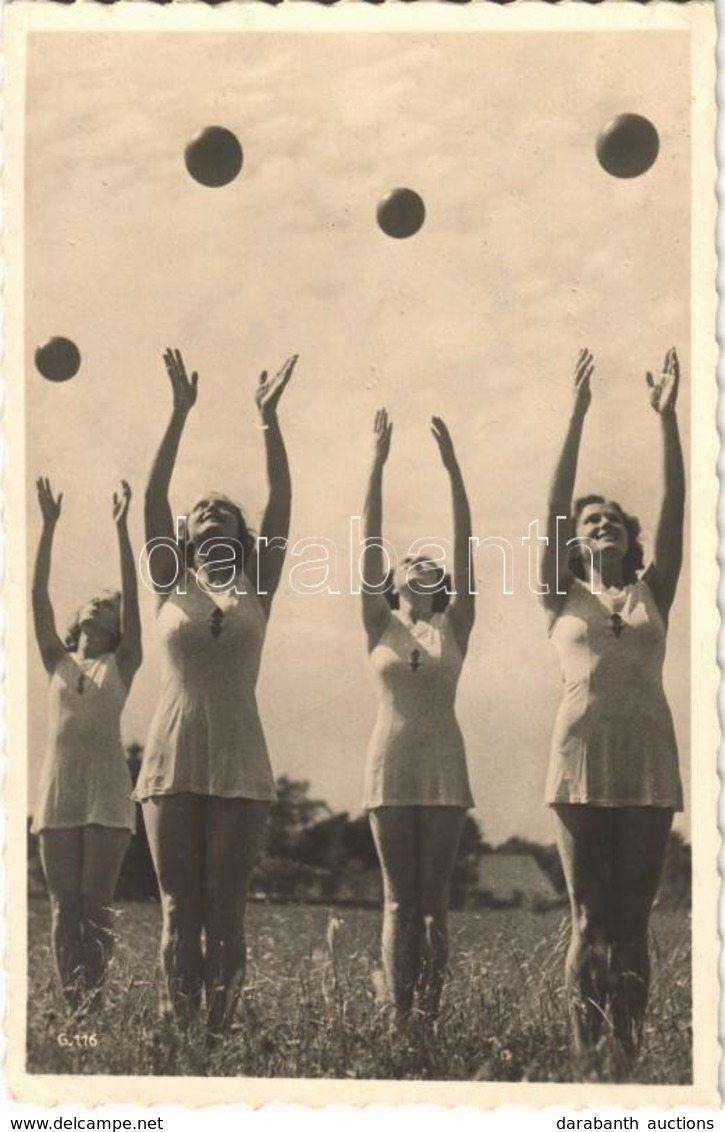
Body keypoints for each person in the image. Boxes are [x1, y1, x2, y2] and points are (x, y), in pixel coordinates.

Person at [135, 346, 296, 1032]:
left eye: (221, 508)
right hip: (170, 757)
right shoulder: (171, 582)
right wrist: (178, 412)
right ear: (186, 533)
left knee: (225, 911)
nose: (209, 511)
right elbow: (151, 497)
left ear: (239, 531)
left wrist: (268, 420)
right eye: (199, 508)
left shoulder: (258, 584)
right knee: (179, 909)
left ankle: (221, 1032)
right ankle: (178, 1035)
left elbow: (282, 502)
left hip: (238, 755)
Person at [540, 346, 685, 1065]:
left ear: (629, 539)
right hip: (577, 761)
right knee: (588, 918)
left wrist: (667, 419)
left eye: (612, 521)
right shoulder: (559, 593)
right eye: (589, 520)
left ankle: (623, 1056)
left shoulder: (651, 592)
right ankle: (581, 1056)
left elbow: (675, 511)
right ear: (574, 541)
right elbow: (549, 506)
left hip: (649, 759)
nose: (602, 525)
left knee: (632, 920)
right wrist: (576, 413)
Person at [360, 408, 475, 1024]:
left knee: (435, 902)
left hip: (443, 765)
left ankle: (428, 1017)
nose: (421, 565)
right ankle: (396, 1018)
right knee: (399, 902)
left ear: (442, 583)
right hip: (391, 762)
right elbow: (369, 539)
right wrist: (377, 465)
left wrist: (453, 471)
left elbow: (466, 544)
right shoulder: (379, 621)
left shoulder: (455, 624)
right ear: (395, 580)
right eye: (410, 563)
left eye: (431, 565)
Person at [31, 478, 142, 1011]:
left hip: (107, 791)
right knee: (61, 907)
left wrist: (123, 529)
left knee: (95, 906)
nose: (104, 605)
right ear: (81, 617)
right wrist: (49, 527)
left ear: (119, 626)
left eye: (111, 605)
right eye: (96, 601)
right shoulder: (57, 659)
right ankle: (70, 1006)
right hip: (58, 790)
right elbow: (37, 597)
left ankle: (90, 1011)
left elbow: (135, 595)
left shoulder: (122, 663)